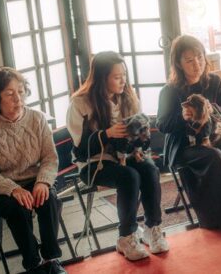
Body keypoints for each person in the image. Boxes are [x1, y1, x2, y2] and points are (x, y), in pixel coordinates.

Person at [66, 52, 169, 261]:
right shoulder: (80, 103)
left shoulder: (128, 97)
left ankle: (152, 228)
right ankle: (126, 236)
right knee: (129, 176)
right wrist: (107, 134)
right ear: (101, 77)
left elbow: (138, 133)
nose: (123, 81)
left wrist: (140, 140)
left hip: (127, 155)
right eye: (116, 77)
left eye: (124, 75)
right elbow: (80, 149)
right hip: (93, 163)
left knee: (149, 169)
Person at [157, 35, 221, 234]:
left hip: (214, 136)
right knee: (215, 156)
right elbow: (161, 125)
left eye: (199, 57)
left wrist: (211, 110)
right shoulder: (169, 91)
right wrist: (183, 117)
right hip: (184, 145)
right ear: (178, 64)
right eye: (189, 60)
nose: (197, 64)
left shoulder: (214, 81)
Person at [0, 68, 66, 273]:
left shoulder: (37, 119)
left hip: (33, 178)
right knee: (18, 208)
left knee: (48, 198)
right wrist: (13, 189)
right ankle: (34, 264)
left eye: (21, 91)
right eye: (10, 93)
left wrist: (42, 181)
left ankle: (51, 259)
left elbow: (50, 158)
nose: (18, 98)